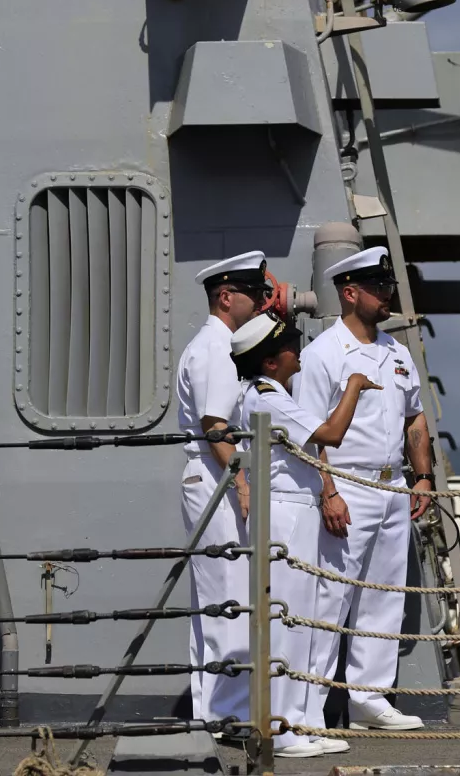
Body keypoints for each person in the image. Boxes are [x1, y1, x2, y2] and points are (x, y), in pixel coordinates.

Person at [293, 242, 435, 733]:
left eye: (388, 285)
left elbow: (415, 418)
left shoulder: (395, 351)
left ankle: (368, 701)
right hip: (347, 485)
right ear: (350, 293)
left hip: (393, 485)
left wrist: (423, 476)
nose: (387, 294)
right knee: (330, 598)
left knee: (384, 595)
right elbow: (309, 432)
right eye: (378, 287)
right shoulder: (322, 355)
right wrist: (327, 491)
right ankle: (307, 708)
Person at [229, 312, 382, 757]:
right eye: (292, 347)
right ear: (272, 361)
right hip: (286, 515)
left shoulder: (270, 392)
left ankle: (293, 723)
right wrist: (353, 386)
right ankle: (281, 731)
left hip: (296, 512)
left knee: (299, 623)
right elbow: (330, 435)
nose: (299, 352)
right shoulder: (267, 399)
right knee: (289, 625)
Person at [176, 250, 272, 725]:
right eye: (252, 294)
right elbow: (216, 425)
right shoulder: (216, 347)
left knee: (216, 603)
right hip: (216, 477)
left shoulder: (218, 343)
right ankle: (227, 715)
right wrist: (244, 485)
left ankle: (215, 711)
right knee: (227, 600)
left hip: (214, 477)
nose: (260, 301)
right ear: (226, 296)